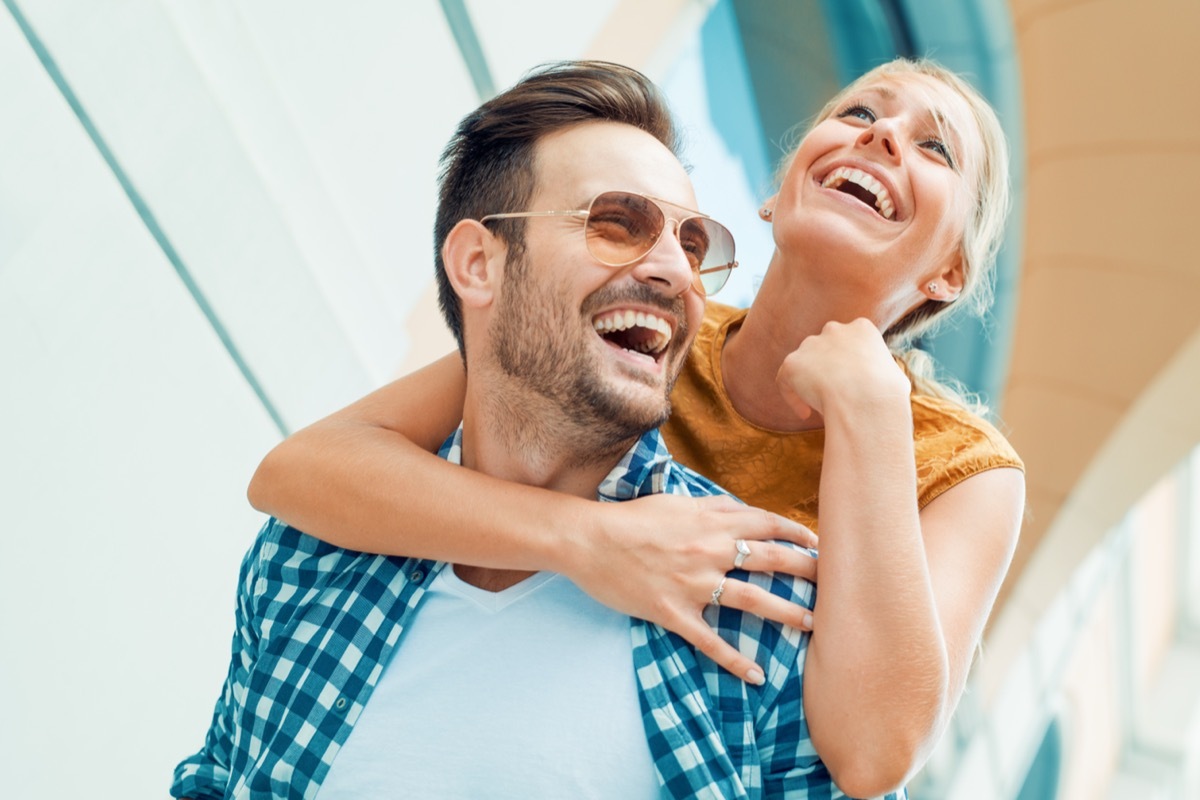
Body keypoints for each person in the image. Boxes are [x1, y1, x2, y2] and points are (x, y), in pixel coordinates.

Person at [248, 58, 1025, 797]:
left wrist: (874, 418)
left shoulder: (964, 467)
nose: (882, 135)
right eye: (859, 111)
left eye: (934, 147)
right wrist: (591, 540)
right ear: (775, 194)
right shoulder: (639, 334)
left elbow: (872, 755)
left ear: (948, 274)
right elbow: (302, 472)